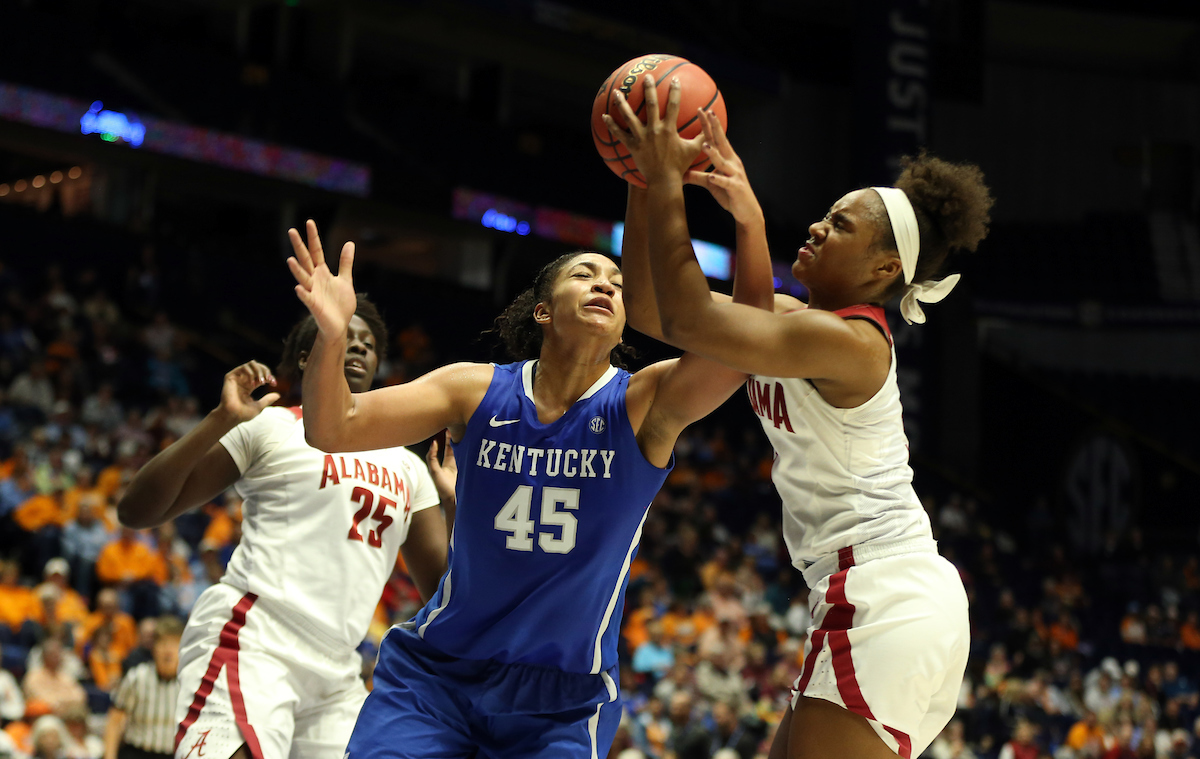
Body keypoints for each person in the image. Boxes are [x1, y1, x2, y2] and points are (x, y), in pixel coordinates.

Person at [283, 210, 768, 758]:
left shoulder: (642, 404)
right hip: (437, 676)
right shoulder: (473, 390)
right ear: (543, 310)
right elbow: (330, 427)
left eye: (615, 282)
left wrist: (749, 221)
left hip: (561, 702)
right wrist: (329, 334)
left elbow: (747, 342)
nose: (604, 283)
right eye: (584, 274)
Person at [604, 74, 993, 758]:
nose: (818, 224)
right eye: (826, 213)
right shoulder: (799, 326)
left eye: (841, 224)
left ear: (883, 267)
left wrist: (669, 182)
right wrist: (644, 176)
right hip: (861, 595)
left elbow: (696, 313)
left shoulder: (852, 344)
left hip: (885, 592)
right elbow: (657, 313)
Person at [115, 294, 457, 759]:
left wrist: (457, 507)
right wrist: (220, 420)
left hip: (339, 669)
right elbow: (137, 511)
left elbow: (446, 594)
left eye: (368, 344)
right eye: (344, 338)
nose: (357, 348)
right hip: (256, 638)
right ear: (305, 358)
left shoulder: (409, 466)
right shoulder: (271, 426)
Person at [103, 617, 185, 759]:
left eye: (174, 644)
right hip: (137, 752)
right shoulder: (137, 677)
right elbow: (115, 722)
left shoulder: (190, 683)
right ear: (153, 648)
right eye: (163, 643)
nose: (168, 651)